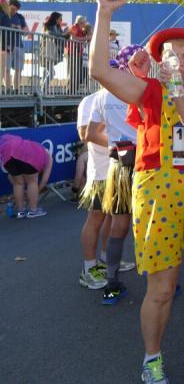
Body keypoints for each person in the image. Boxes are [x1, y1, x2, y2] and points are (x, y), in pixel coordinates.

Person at [88, 0, 184, 384]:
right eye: (172, 55)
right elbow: (100, 71)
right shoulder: (150, 92)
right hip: (157, 196)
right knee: (162, 290)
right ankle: (152, 359)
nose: (180, 61)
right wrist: (104, 13)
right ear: (160, 63)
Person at [90, 45, 151, 304]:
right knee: (149, 223)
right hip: (145, 162)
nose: (147, 65)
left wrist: (117, 144)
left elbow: (91, 133)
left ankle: (111, 283)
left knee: (120, 224)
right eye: (142, 60)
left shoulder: (103, 94)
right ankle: (160, 282)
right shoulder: (144, 89)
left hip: (120, 163)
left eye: (147, 60)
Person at [77, 89, 110, 290]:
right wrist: (117, 141)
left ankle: (107, 259)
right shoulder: (91, 100)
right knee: (96, 218)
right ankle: (89, 269)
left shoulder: (126, 95)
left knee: (114, 218)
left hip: (122, 171)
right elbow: (84, 134)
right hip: (100, 173)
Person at [0, 134, 52, 218]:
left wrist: (26, 193)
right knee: (32, 182)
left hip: (7, 155)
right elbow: (45, 179)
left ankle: (21, 212)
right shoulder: (46, 155)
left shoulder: (23, 144)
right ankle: (33, 211)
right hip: (27, 155)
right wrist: (37, 191)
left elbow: (10, 176)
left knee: (18, 183)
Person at [7, 0, 28, 92]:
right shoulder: (3, 15)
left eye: (15, 10)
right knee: (6, 68)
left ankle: (16, 89)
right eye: (12, 9)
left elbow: (26, 31)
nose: (13, 11)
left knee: (18, 69)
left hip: (19, 45)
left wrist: (19, 28)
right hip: (5, 45)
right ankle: (7, 89)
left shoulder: (20, 17)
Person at [42, 11, 65, 92]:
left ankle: (43, 89)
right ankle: (43, 88)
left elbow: (63, 37)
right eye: (60, 19)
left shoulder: (58, 27)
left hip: (53, 52)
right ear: (55, 19)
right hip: (48, 51)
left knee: (47, 71)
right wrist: (63, 35)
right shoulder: (49, 26)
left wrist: (66, 34)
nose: (61, 21)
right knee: (52, 73)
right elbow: (50, 34)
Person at [68, 15, 91, 91]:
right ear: (81, 22)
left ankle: (74, 90)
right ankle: (71, 90)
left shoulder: (80, 29)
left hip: (78, 52)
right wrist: (85, 38)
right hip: (74, 52)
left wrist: (86, 38)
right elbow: (72, 38)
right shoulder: (75, 27)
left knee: (78, 72)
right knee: (74, 72)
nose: (85, 23)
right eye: (84, 22)